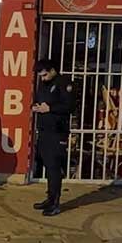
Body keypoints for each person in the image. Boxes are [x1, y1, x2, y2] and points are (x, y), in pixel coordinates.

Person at [31, 59, 76, 217]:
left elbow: (70, 106)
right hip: (44, 130)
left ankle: (55, 203)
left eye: (44, 75)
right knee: (47, 165)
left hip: (57, 131)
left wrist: (50, 108)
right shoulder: (44, 84)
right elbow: (40, 100)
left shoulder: (64, 83)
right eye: (40, 76)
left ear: (51, 70)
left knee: (54, 166)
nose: (42, 79)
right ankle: (49, 198)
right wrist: (36, 106)